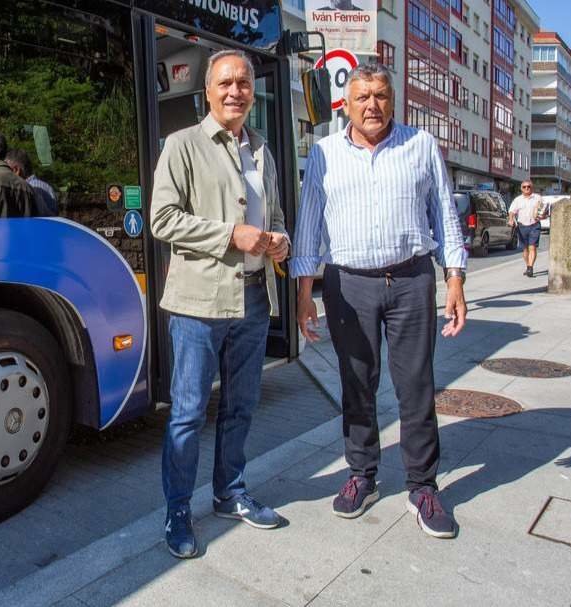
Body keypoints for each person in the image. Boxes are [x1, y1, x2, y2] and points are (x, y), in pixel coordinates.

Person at [291, 63, 467, 540]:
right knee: (356, 385)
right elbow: (309, 224)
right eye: (363, 96)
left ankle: (423, 486)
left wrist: (455, 279)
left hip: (412, 280)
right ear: (345, 104)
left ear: (394, 99)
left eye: (382, 95)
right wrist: (305, 292)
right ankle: (362, 475)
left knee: (416, 387)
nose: (373, 105)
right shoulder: (325, 153)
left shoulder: (421, 145)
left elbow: (445, 214)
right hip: (349, 286)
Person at [149, 49, 290, 559]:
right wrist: (232, 234)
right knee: (187, 413)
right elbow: (162, 219)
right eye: (225, 83)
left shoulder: (263, 150)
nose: (235, 91)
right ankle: (178, 510)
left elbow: (274, 217)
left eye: (244, 84)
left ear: (254, 92)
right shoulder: (182, 145)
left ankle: (229, 494)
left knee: (241, 406)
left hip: (254, 298)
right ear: (206, 92)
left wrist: (280, 242)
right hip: (199, 303)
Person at [508, 180, 545, 277]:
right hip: (522, 226)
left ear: (532, 187)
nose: (526, 188)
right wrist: (511, 219)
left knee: (532, 247)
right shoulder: (517, 200)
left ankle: (530, 268)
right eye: (524, 187)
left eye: (528, 186)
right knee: (525, 249)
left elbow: (544, 210)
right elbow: (512, 211)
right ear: (521, 188)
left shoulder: (538, 198)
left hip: (534, 225)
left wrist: (543, 215)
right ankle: (528, 265)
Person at [6, 148, 58, 216]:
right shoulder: (47, 187)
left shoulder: (29, 189)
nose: (4, 174)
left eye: (6, 170)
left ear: (16, 170)